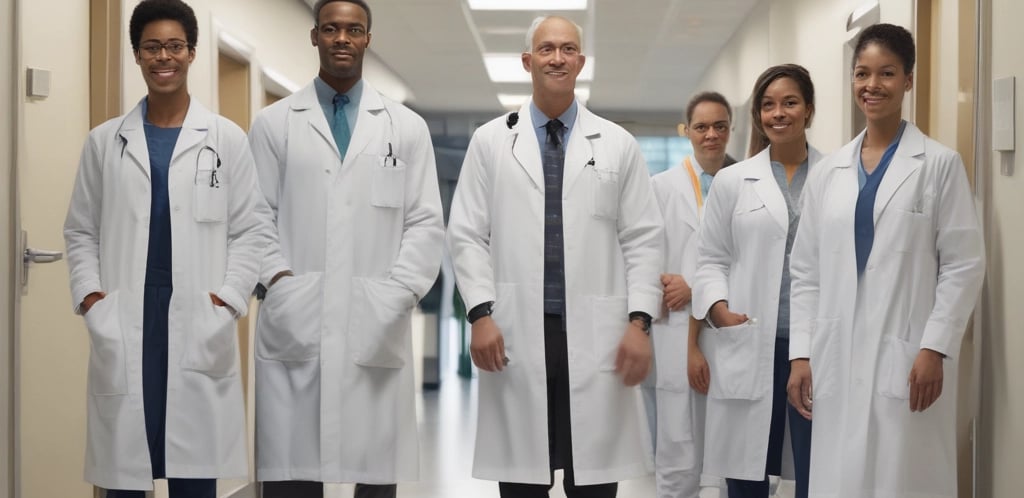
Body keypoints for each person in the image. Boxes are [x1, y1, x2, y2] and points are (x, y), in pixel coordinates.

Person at [63, 0, 276, 496]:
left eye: (175, 46)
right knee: (124, 475)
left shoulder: (226, 138)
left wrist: (227, 299)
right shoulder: (104, 142)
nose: (165, 57)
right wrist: (92, 298)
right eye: (153, 46)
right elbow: (80, 230)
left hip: (198, 312)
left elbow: (252, 229)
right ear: (137, 55)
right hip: (127, 313)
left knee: (193, 474)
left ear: (192, 53)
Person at [446, 15, 663, 498]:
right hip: (517, 331)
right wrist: (480, 313)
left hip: (598, 334)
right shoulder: (490, 142)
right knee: (523, 482)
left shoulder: (617, 144)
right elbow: (465, 234)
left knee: (595, 482)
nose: (557, 58)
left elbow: (644, 239)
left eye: (568, 49)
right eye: (547, 49)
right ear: (528, 61)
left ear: (581, 62)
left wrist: (639, 323)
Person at [247, 0, 445, 497]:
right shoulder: (274, 124)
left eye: (353, 30)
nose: (342, 39)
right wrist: (278, 282)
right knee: (292, 474)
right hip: (297, 314)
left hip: (375, 315)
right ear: (314, 37)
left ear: (367, 40)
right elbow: (253, 217)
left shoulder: (405, 127)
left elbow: (424, 222)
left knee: (375, 471)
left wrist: (397, 292)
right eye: (331, 29)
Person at [786, 23, 985, 498]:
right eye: (862, 73)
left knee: (903, 476)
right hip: (836, 352)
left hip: (907, 351)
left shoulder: (938, 164)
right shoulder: (828, 173)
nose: (872, 85)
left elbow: (963, 265)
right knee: (840, 476)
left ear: (908, 81)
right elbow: (806, 272)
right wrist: (800, 353)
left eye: (887, 73)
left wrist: (935, 346)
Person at [690, 64, 821, 498]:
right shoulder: (731, 181)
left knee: (815, 468)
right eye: (768, 105)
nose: (778, 113)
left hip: (815, 344)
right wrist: (719, 311)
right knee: (746, 472)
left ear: (809, 109)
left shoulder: (835, 175)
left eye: (789, 102)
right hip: (750, 337)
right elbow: (709, 258)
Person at [648, 91, 735, 498]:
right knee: (677, 456)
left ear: (730, 130)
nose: (711, 135)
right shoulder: (659, 188)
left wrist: (695, 286)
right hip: (674, 332)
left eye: (720, 126)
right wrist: (671, 285)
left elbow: (753, 264)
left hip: (727, 330)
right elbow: (645, 259)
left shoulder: (744, 186)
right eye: (701, 127)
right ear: (687, 132)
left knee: (731, 455)